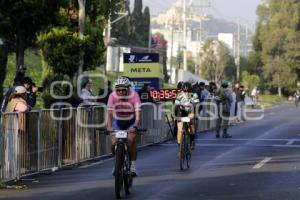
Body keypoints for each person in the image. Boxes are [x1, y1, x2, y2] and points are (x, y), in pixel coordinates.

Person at [107, 76, 141, 176]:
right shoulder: (112, 96)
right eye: (118, 90)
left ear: (128, 89)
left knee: (131, 140)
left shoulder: (134, 95)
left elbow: (138, 113)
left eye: (123, 90)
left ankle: (133, 165)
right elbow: (109, 113)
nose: (121, 92)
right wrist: (109, 126)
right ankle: (117, 162)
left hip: (131, 120)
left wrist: (135, 125)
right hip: (118, 121)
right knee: (113, 143)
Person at [174, 82, 199, 151]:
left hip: (190, 111)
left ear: (191, 90)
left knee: (191, 123)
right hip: (181, 112)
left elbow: (197, 105)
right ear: (182, 90)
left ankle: (192, 141)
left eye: (188, 91)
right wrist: (175, 116)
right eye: (185, 91)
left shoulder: (194, 95)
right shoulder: (179, 95)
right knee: (179, 129)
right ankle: (179, 146)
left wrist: (195, 114)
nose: (187, 93)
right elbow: (176, 106)